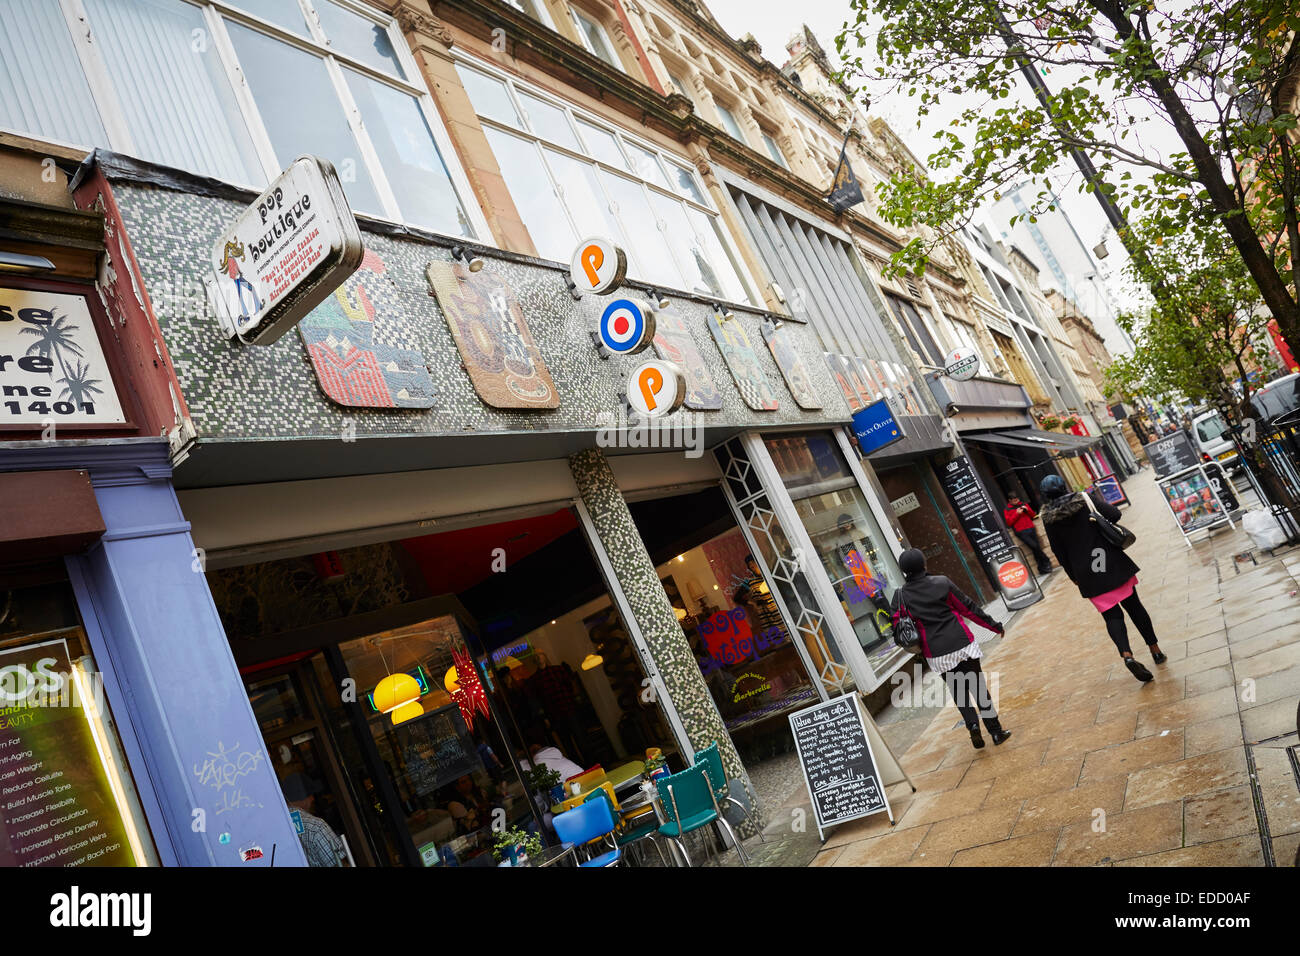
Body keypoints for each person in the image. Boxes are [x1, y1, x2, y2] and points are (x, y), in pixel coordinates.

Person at [1038, 474, 1165, 682]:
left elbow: (1057, 551)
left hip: (1086, 572)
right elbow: (1114, 514)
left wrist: (1073, 576)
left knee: (1112, 616)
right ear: (1064, 486)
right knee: (1134, 607)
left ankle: (1127, 655)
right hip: (1109, 561)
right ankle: (1155, 650)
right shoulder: (1085, 500)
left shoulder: (1047, 517)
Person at [889, 548, 1011, 749]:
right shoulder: (942, 583)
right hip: (962, 643)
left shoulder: (900, 596)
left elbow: (897, 626)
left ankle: (972, 726)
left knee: (958, 690)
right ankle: (996, 732)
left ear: (903, 570)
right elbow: (969, 608)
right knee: (978, 689)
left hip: (937, 652)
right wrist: (994, 625)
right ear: (923, 564)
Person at [1003, 492, 1053, 575]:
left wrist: (1027, 509)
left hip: (1031, 528)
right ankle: (1046, 560)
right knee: (1035, 546)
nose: (1016, 501)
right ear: (1010, 501)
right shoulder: (1007, 509)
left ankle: (1042, 568)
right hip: (1020, 532)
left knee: (1035, 549)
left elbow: (1033, 515)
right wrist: (1017, 514)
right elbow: (1009, 523)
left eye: (1017, 499)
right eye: (1014, 500)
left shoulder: (1023, 504)